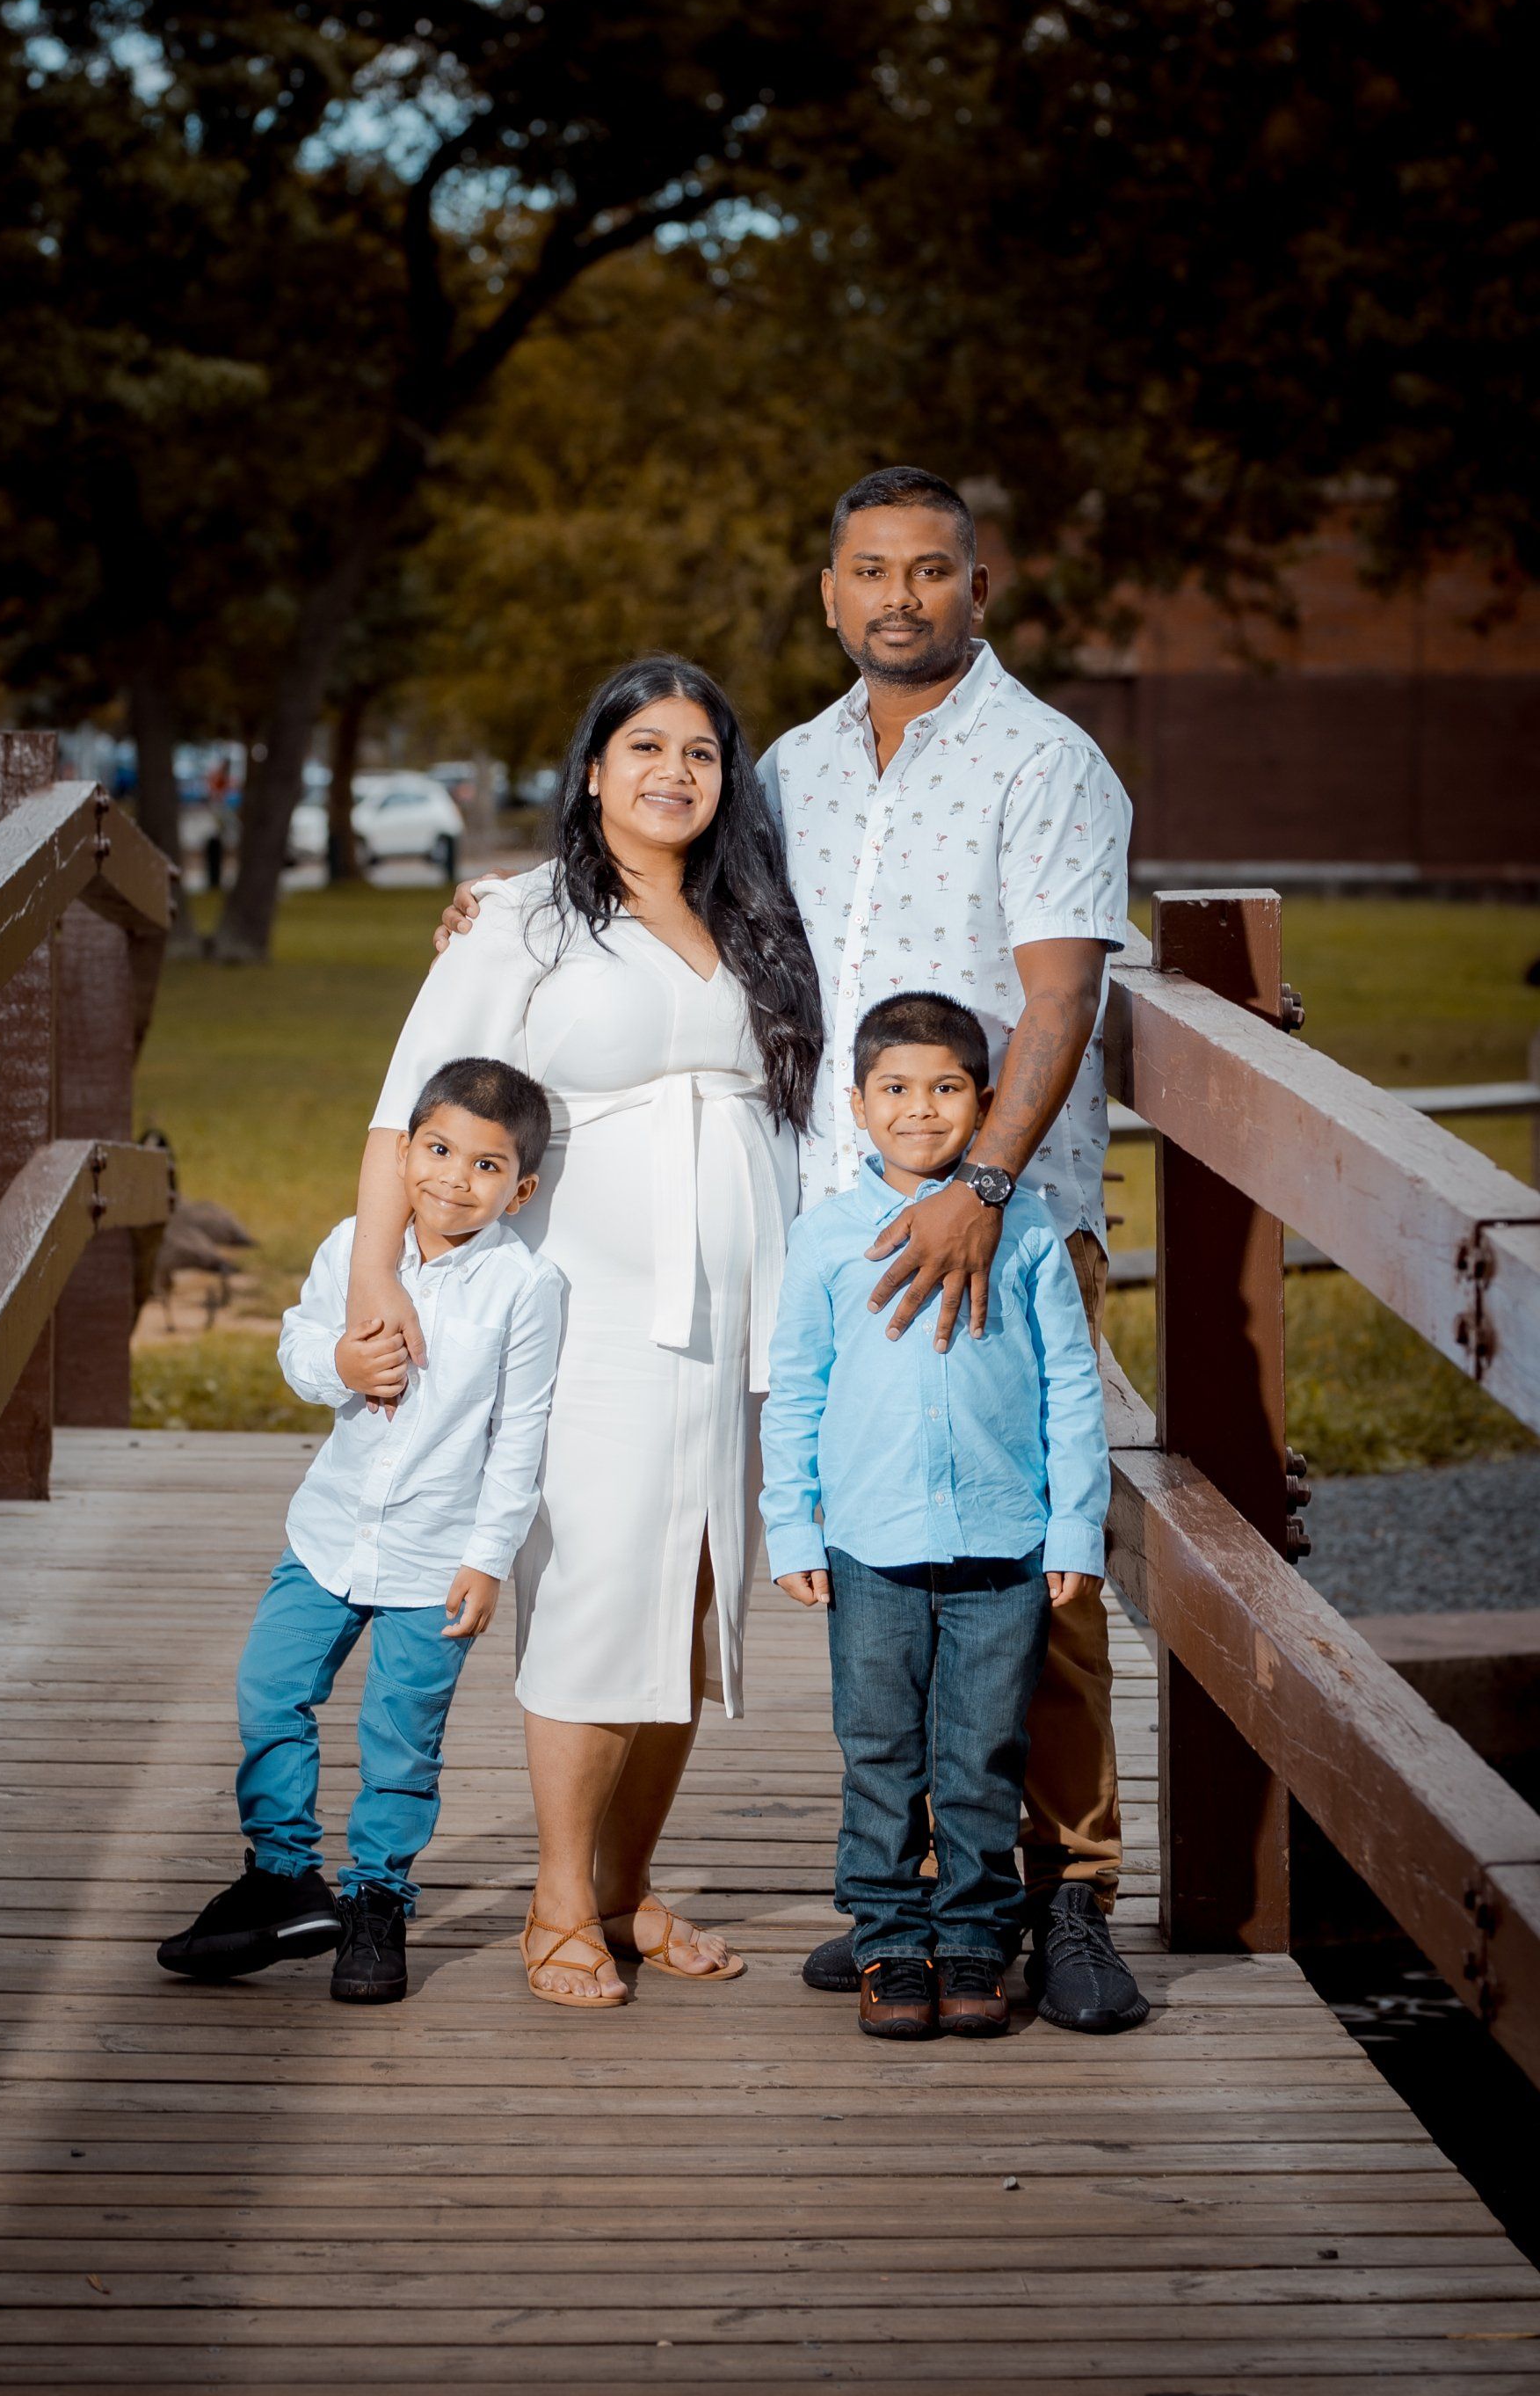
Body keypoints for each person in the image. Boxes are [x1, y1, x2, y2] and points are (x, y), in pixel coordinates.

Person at [435, 468, 1145, 2034]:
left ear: (978, 588)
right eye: (870, 572)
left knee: (1033, 1571)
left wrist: (984, 1185)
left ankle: (1071, 1896)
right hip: (832, 1234)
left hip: (991, 1220)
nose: (901, 596)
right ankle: (906, 1903)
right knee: (891, 1572)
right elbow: (657, 868)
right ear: (830, 596)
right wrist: (504, 905)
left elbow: (1057, 997)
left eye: (933, 571)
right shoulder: (795, 773)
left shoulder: (1051, 763)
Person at [343, 656, 824, 2006]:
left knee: (694, 1596)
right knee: (599, 1582)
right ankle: (555, 1900)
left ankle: (626, 1887)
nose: (675, 772)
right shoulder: (522, 919)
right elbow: (405, 1109)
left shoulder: (758, 918)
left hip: (741, 1316)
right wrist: (376, 1276)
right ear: (595, 769)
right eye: (646, 746)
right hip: (593, 1314)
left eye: (703, 753)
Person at [156, 1057, 563, 2007]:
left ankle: (378, 1900)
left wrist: (487, 1559)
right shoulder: (355, 1245)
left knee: (401, 1739)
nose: (454, 1179)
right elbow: (299, 1343)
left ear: (523, 1188)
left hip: (437, 1557)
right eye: (437, 1149)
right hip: (328, 1535)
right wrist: (340, 1360)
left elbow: (521, 1437)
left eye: (487, 1166)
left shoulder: (525, 1288)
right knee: (269, 1690)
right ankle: (282, 1875)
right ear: (405, 1152)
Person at [761, 993, 1108, 2039]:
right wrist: (792, 1526)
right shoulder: (825, 1238)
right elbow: (798, 1391)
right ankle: (886, 1943)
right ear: (857, 1107)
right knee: (879, 1751)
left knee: (981, 1753)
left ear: (986, 1100)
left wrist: (1075, 1528)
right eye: (897, 1091)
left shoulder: (1030, 1229)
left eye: (947, 1089)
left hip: (1005, 1543)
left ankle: (971, 1943)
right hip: (870, 1545)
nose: (922, 1110)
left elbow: (1072, 1394)